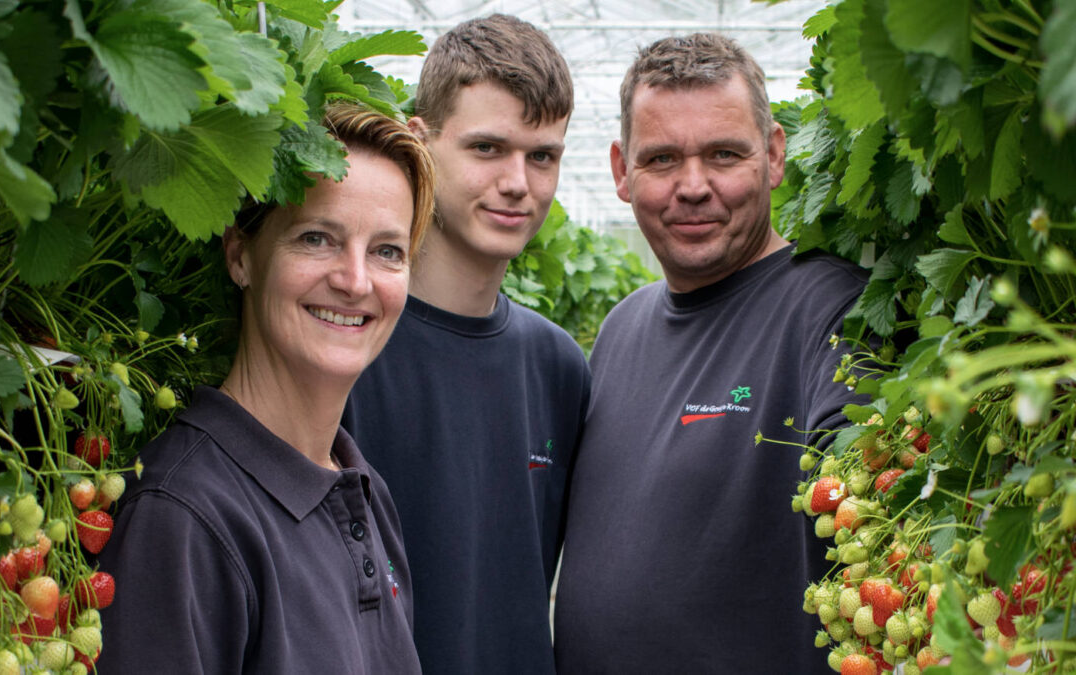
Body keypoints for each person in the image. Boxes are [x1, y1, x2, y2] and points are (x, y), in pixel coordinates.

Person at [552, 33, 868, 674]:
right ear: (622, 170)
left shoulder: (835, 310)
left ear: (773, 155)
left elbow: (872, 483)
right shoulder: (620, 329)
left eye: (723, 154)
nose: (693, 186)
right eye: (662, 159)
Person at [97, 104, 435, 673]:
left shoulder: (363, 488)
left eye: (387, 251)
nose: (356, 281)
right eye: (316, 238)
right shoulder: (182, 518)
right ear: (240, 256)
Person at [341, 14, 590, 675]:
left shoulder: (558, 366)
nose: (518, 182)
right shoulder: (348, 344)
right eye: (487, 148)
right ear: (420, 143)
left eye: (542, 156)